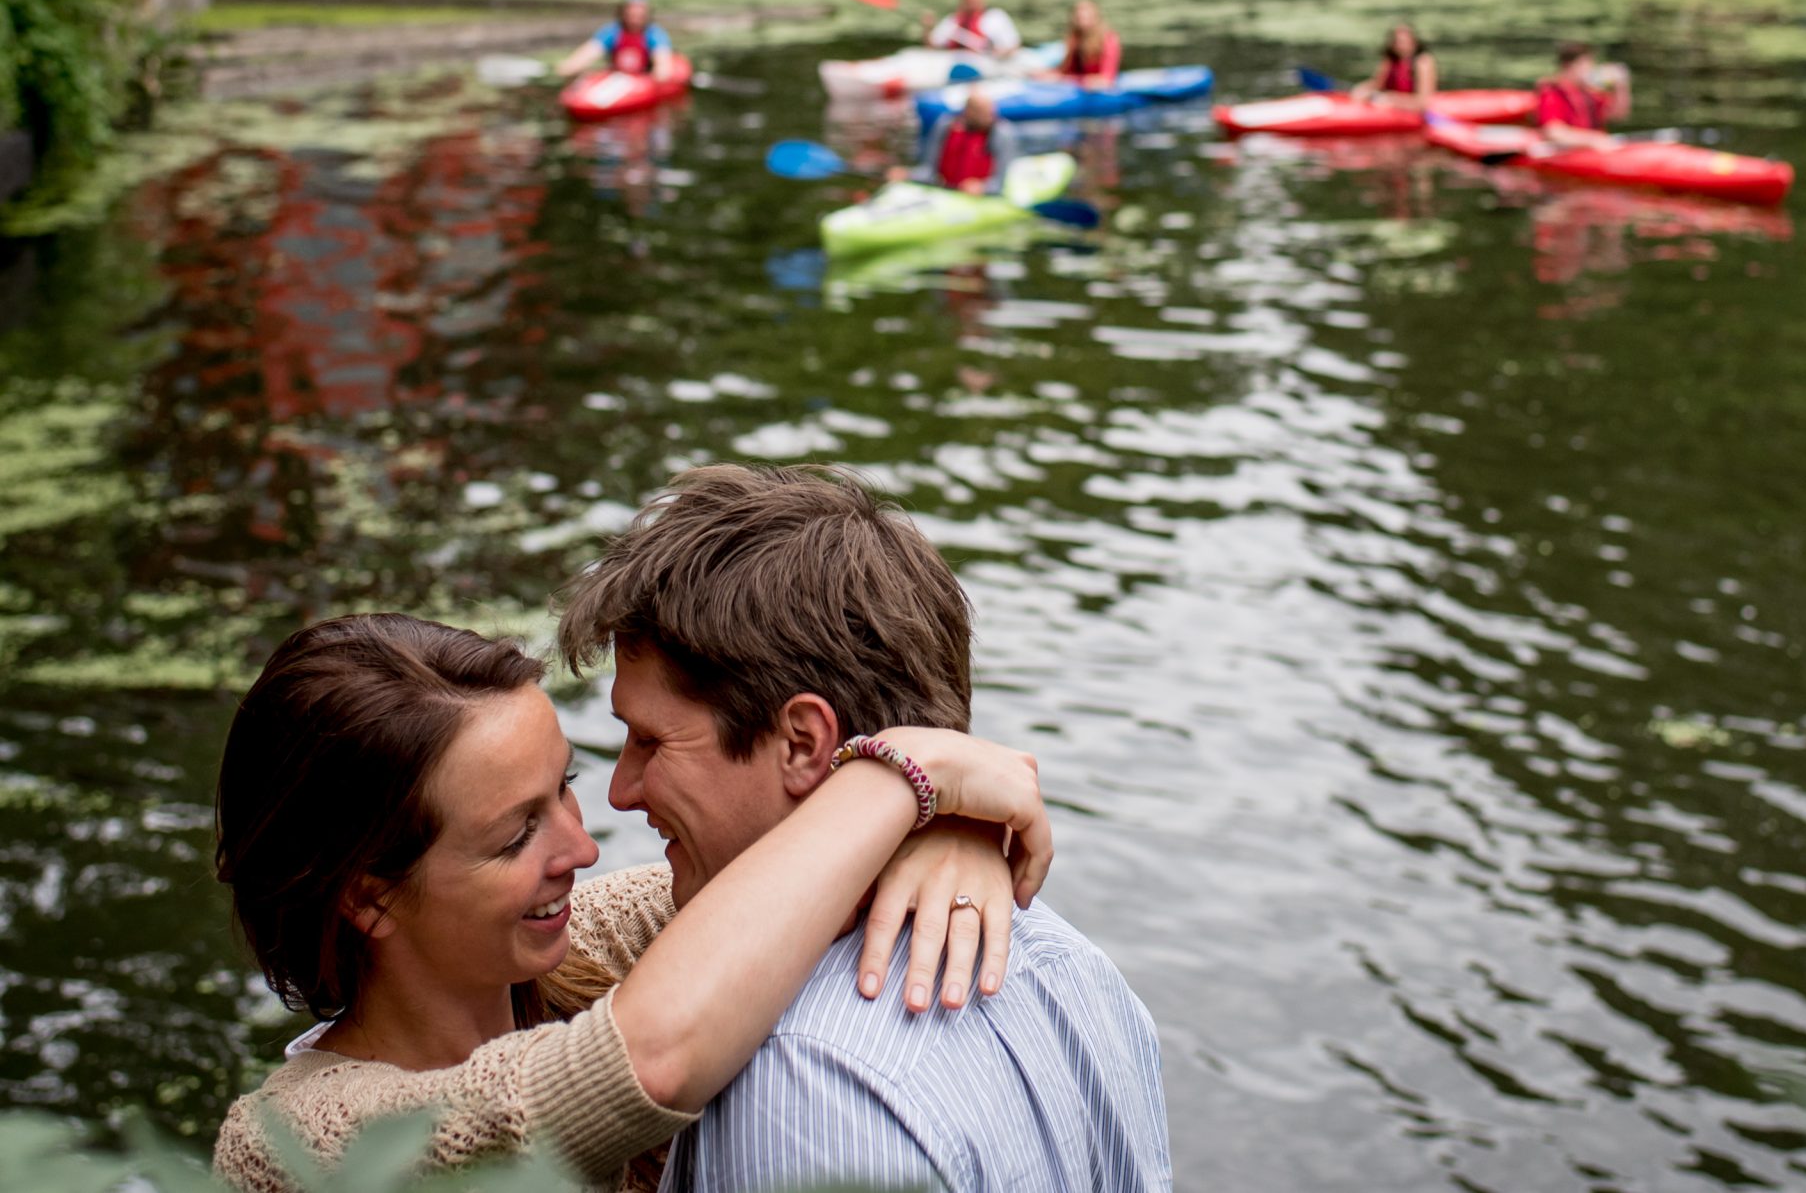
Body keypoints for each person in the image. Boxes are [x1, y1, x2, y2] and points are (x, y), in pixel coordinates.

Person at [210, 612, 1051, 1193]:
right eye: (514, 837)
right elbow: (632, 1065)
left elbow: (784, 875)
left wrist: (947, 834)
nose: (581, 850)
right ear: (370, 896)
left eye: (564, 789)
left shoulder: (591, 944)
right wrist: (900, 775)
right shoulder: (290, 1144)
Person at [554, 465, 1172, 1193]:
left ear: (803, 743)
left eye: (652, 742)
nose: (620, 793)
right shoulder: (1076, 971)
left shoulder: (796, 1080)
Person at [896, 86, 1018, 195]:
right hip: (946, 191)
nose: (988, 116)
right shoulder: (946, 126)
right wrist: (909, 175)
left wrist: (983, 187)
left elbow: (1003, 182)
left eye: (989, 111)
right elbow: (929, 171)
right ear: (968, 111)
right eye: (980, 111)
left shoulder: (1001, 133)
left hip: (979, 197)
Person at [561, 0, 679, 81]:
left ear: (646, 16)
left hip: (643, 78)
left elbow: (663, 65)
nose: (634, 20)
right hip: (618, 77)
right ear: (623, 14)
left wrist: (659, 76)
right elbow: (587, 53)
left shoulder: (655, 34)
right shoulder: (612, 32)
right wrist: (570, 68)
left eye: (639, 16)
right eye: (631, 15)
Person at [1534, 43, 1628, 147]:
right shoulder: (1553, 92)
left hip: (1593, 153)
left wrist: (1620, 86)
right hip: (1569, 154)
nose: (1590, 69)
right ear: (1568, 65)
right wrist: (1593, 139)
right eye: (1585, 64)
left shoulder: (1589, 92)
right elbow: (1553, 132)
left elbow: (1617, 115)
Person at [923, 0, 1023, 59]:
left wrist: (1000, 53)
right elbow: (932, 45)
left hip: (986, 64)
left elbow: (1014, 45)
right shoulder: (952, 21)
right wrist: (927, 28)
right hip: (958, 67)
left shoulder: (995, 17)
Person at [1348, 23, 1436, 110]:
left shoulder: (1423, 62)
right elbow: (1377, 84)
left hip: (1411, 110)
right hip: (1391, 105)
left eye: (1403, 41)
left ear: (1414, 42)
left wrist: (1392, 100)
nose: (1400, 46)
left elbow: (1423, 103)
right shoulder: (1390, 60)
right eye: (1397, 42)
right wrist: (1361, 91)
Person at [1059, 0, 1121, 88]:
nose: (1081, 21)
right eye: (1078, 17)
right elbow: (1067, 71)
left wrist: (1071, 79)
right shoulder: (1075, 39)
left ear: (1095, 17)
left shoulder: (1109, 39)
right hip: (1079, 85)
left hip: (1098, 88)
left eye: (1085, 17)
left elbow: (1106, 80)